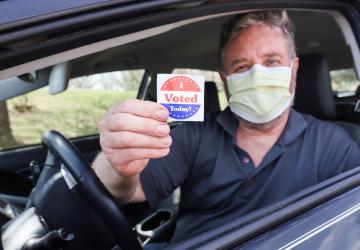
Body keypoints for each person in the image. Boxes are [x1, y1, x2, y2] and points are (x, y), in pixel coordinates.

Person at [92, 10, 360, 244]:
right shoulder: (194, 135)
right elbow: (127, 190)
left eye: (271, 62)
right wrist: (115, 162)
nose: (257, 75)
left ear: (294, 68)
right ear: (225, 79)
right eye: (242, 66)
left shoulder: (332, 143)